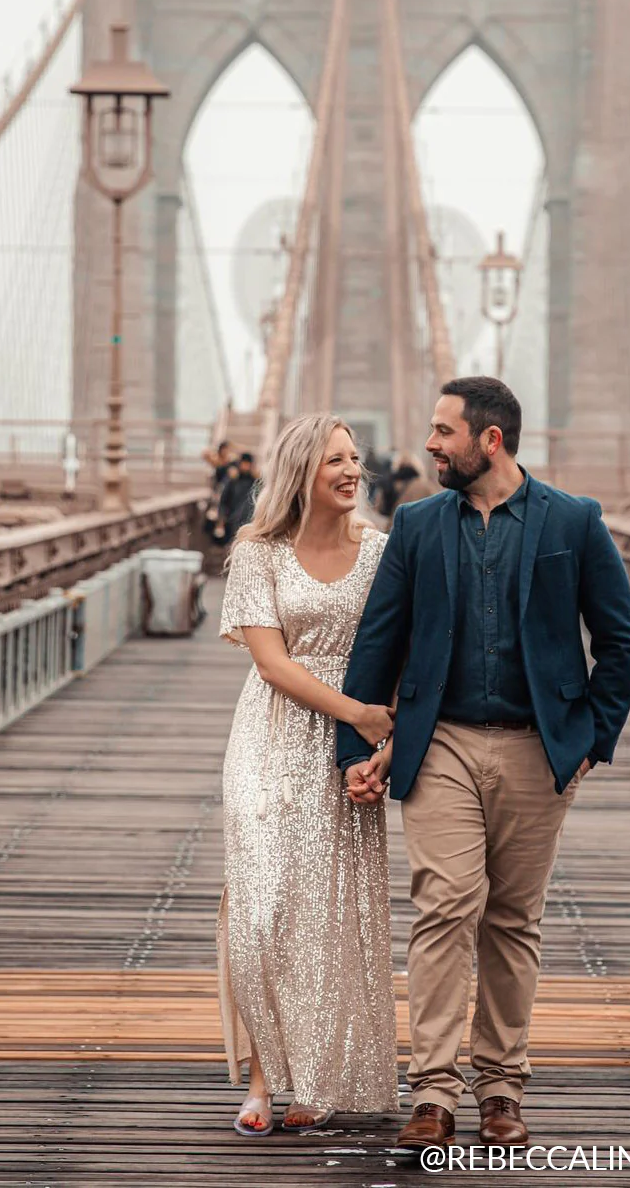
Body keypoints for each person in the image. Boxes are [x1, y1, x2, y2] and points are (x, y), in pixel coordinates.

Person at [336, 376, 630, 1151]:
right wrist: (356, 748)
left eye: (444, 431)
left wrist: (592, 741)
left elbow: (620, 641)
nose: (430, 444)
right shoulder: (417, 525)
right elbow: (379, 640)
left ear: (490, 440)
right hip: (440, 742)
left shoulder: (574, 520)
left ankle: (502, 1087)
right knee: (445, 906)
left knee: (512, 919)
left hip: (541, 749)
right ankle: (434, 1092)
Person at [217, 414, 399, 1138]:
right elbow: (271, 663)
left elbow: (399, 650)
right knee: (262, 910)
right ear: (301, 471)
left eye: (355, 458)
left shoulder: (382, 553)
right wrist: (362, 713)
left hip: (346, 752)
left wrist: (379, 744)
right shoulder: (257, 552)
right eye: (335, 461)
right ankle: (264, 1073)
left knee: (327, 912)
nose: (353, 471)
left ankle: (318, 1074)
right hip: (270, 737)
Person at [216, 451, 256, 545]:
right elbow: (223, 501)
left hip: (249, 523)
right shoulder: (233, 481)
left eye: (247, 464)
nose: (245, 466)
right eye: (244, 463)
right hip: (232, 522)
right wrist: (221, 521)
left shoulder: (254, 482)